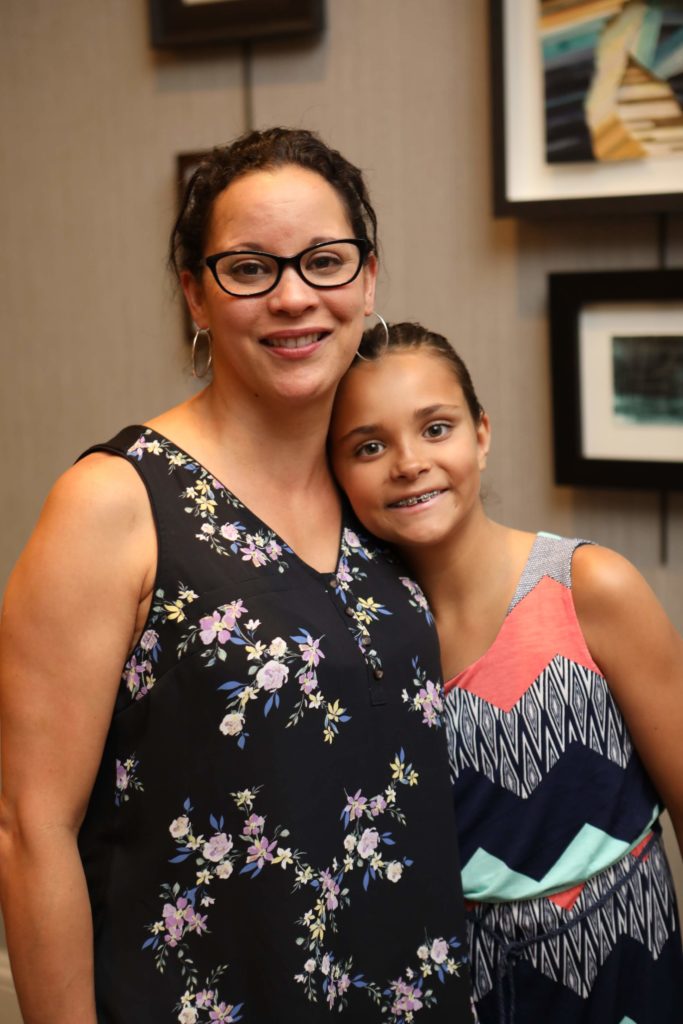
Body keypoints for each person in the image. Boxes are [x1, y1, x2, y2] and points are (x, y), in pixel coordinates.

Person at [0, 132, 474, 1023]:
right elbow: (30, 832)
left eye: (324, 262)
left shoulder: (376, 490)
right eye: (250, 268)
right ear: (195, 293)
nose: (294, 296)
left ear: (367, 278)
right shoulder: (115, 502)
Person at [329, 321, 683, 1023]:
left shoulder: (589, 587)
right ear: (333, 473)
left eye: (436, 428)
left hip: (629, 976)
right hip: (462, 992)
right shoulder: (355, 642)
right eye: (369, 446)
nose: (407, 462)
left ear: (480, 434)